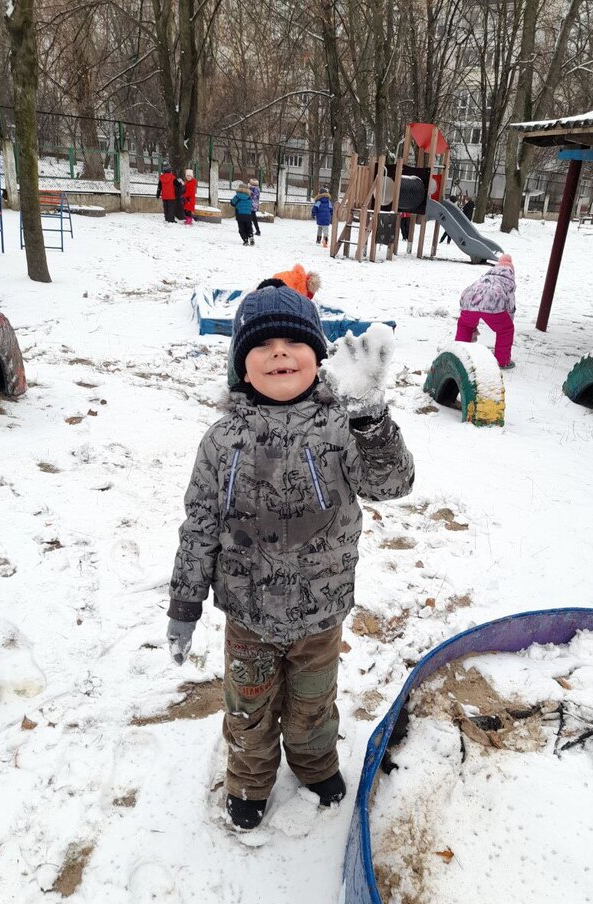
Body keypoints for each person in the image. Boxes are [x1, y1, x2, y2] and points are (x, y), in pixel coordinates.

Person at [166, 286, 415, 831]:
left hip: (319, 613)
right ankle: (251, 778)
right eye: (263, 346)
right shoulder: (220, 440)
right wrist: (184, 604)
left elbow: (391, 484)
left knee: (312, 704)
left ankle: (314, 761)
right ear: (241, 366)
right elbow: (200, 523)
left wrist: (371, 420)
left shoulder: (341, 427)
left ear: (318, 357)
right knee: (248, 707)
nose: (279, 353)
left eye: (293, 342)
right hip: (247, 615)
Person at [456, 254, 516, 369]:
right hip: (493, 302)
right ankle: (502, 361)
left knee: (465, 325)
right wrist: (509, 320)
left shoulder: (485, 277)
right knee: (505, 330)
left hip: (469, 299)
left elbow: (468, 292)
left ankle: (459, 356)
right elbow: (510, 304)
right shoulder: (508, 281)